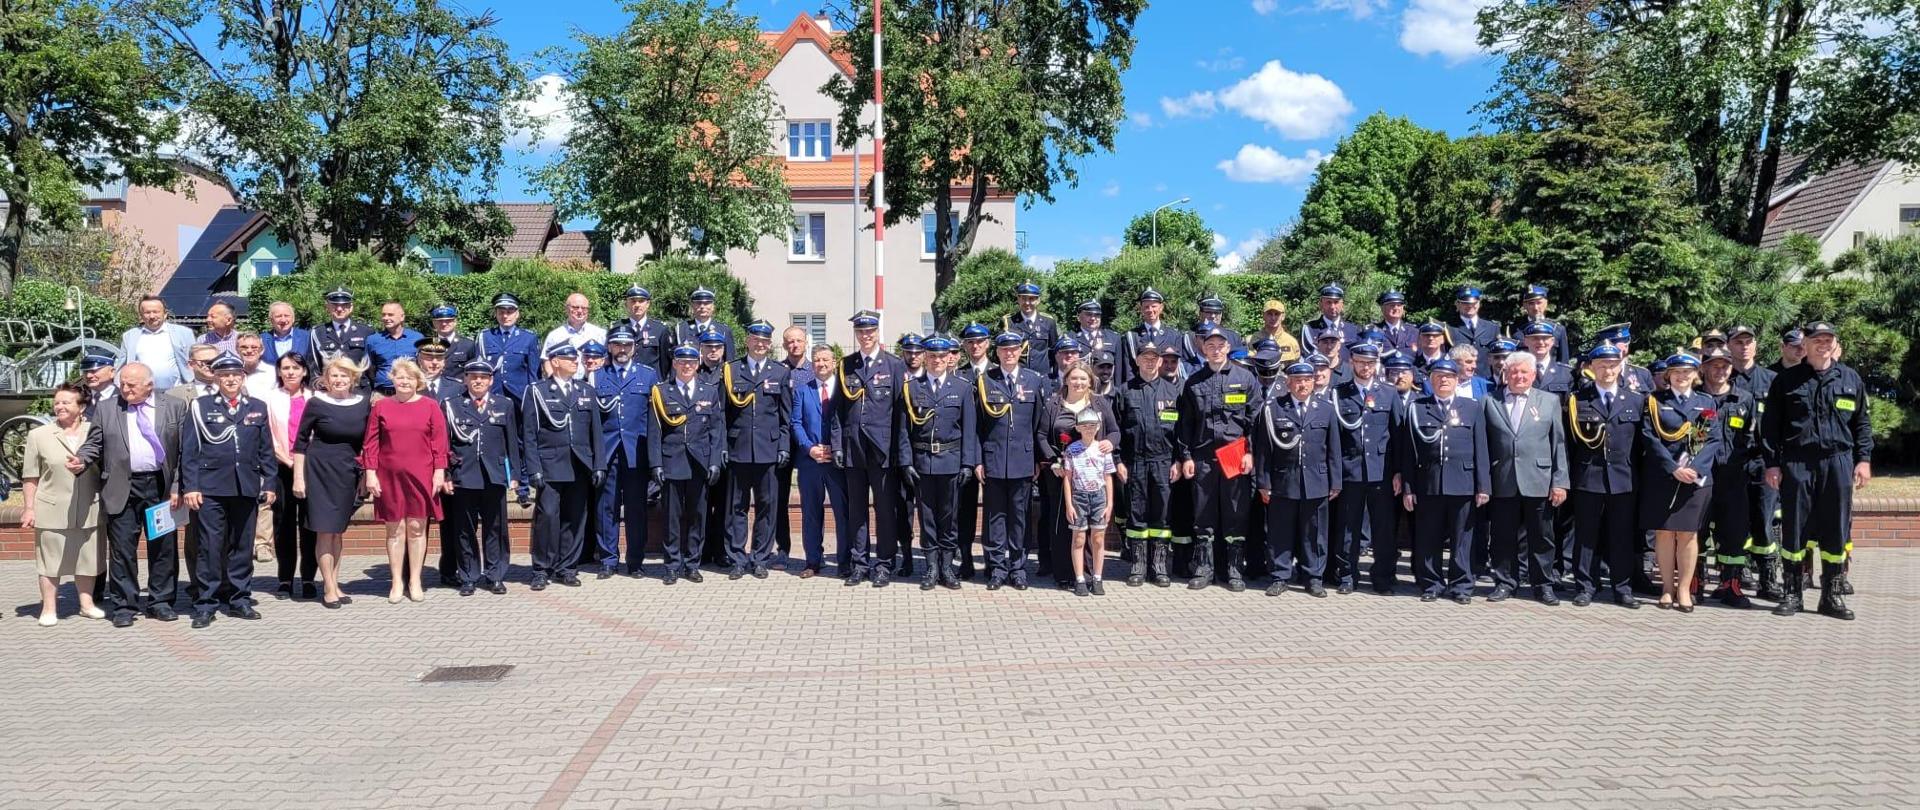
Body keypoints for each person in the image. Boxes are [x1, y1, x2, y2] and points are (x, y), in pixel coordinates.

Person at [1762, 321, 1871, 620]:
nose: (1823, 345)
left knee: (1836, 528)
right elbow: (1770, 427)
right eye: (1816, 340)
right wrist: (1772, 463)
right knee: (1794, 528)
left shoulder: (1849, 378)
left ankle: (1831, 596)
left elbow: (1861, 424)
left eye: (1828, 340)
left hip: (1838, 461)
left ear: (1834, 343)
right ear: (1805, 344)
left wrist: (1864, 460)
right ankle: (1793, 594)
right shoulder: (1787, 381)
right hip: (1798, 463)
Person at [180, 352, 277, 629]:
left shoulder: (256, 406)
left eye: (235, 375)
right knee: (209, 547)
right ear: (216, 378)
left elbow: (265, 450)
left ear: (242, 377)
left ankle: (239, 599)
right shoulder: (200, 406)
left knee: (242, 546)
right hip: (211, 488)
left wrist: (269, 483)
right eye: (224, 375)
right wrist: (191, 486)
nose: (230, 379)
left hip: (245, 486)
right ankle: (205, 603)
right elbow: (189, 450)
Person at [94, 363, 187, 628]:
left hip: (160, 486)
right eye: (122, 384)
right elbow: (95, 444)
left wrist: (177, 485)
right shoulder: (107, 408)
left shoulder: (174, 406)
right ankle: (124, 605)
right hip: (123, 486)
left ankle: (161, 602)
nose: (125, 389)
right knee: (123, 549)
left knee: (163, 547)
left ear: (150, 384)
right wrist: (80, 460)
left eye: (131, 385)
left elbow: (183, 452)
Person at [1395, 358, 1490, 604]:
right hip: (1429, 483)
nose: (1443, 380)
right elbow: (1409, 452)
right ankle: (1431, 583)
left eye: (1448, 376)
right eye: (1438, 376)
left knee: (1463, 538)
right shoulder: (1417, 408)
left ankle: (1462, 586)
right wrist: (1408, 488)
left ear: (1457, 380)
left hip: (1464, 482)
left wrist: (1483, 486)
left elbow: (1482, 448)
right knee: (1428, 537)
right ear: (1430, 380)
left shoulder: (1471, 407)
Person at [829, 310, 911, 587]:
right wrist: (838, 444)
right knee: (857, 511)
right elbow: (837, 411)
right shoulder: (846, 365)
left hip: (883, 450)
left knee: (886, 510)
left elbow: (902, 413)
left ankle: (884, 564)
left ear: (877, 332)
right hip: (854, 449)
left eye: (870, 331)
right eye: (861, 332)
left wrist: (901, 452)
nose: (865, 336)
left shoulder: (894, 365)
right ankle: (859, 563)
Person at [1176, 326, 1261, 591]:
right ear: (1203, 348)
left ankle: (1234, 570)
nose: (1215, 350)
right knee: (1203, 512)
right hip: (1203, 456)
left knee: (1236, 513)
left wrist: (1250, 453)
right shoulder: (1194, 381)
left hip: (1234, 453)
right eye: (1210, 346)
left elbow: (1254, 422)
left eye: (1220, 345)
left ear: (1227, 347)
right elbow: (1185, 425)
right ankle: (1204, 568)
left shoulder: (1245, 378)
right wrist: (1186, 456)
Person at [1640, 353, 1724, 612]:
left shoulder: (1706, 402)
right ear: (1668, 376)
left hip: (1694, 480)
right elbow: (1649, 437)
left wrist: (1694, 469)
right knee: (1664, 534)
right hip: (1664, 477)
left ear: (1695, 375)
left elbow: (1712, 440)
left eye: (1687, 372)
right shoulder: (1655, 401)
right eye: (1676, 372)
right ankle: (1667, 588)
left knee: (1688, 535)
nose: (1682, 376)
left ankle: (1685, 590)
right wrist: (1672, 468)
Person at [359, 358, 447, 603]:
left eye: (409, 377)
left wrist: (440, 471)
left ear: (418, 381)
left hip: (422, 474)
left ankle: (415, 580)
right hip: (389, 475)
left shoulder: (430, 406)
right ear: (393, 379)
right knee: (395, 528)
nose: (404, 381)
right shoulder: (381, 407)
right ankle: (396, 580)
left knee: (417, 528)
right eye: (400, 376)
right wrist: (370, 472)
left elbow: (440, 443)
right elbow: (371, 443)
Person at [1484, 352, 1569, 605]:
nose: (1519, 376)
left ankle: (1543, 585)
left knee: (1542, 537)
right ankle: (1505, 582)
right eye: (1514, 372)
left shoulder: (1549, 401)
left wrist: (1560, 481)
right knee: (1502, 535)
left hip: (1539, 479)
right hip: (1503, 478)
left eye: (1524, 372)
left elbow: (1559, 444)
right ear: (1505, 374)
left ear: (1533, 375)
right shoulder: (1489, 401)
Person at [1566, 344, 1647, 608]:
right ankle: (1585, 587)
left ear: (1620, 366)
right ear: (1591, 368)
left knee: (1621, 535)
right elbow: (1569, 444)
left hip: (1624, 478)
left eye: (1612, 364)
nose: (1608, 370)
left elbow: (1642, 446)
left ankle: (1622, 588)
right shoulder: (1578, 400)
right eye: (1601, 365)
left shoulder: (1636, 400)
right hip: (1588, 476)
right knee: (1586, 535)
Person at [521, 344, 606, 590]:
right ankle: (541, 568)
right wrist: (533, 468)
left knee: (575, 518)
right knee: (548, 517)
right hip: (549, 465)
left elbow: (595, 432)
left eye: (575, 358)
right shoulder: (537, 391)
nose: (574, 362)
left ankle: (567, 567)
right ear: (554, 361)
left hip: (579, 464)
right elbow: (529, 434)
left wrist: (598, 464)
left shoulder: (585, 390)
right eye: (568, 358)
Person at [20, 383, 105, 626]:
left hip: (89, 506)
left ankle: (86, 605)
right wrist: (28, 508)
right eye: (57, 402)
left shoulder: (95, 431)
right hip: (51, 507)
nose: (59, 406)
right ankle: (48, 608)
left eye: (66, 402)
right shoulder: (39, 435)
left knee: (87, 559)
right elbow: (30, 476)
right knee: (50, 561)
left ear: (82, 407)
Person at [1256, 360, 1342, 598]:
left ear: (1314, 382)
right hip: (1283, 480)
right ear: (1288, 383)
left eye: (1307, 380)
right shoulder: (1274, 408)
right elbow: (1264, 449)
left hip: (1316, 481)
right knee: (1280, 532)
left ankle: (1313, 577)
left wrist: (1336, 481)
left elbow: (1334, 448)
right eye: (1297, 380)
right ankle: (1280, 576)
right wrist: (1263, 482)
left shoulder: (1325, 408)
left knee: (1313, 533)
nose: (1302, 385)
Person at [293, 357, 370, 609]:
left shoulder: (362, 404)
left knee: (337, 531)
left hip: (348, 472)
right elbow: (301, 443)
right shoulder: (316, 403)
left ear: (353, 378)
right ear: (326, 379)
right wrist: (298, 478)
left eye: (344, 376)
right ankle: (327, 587)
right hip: (320, 471)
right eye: (334, 376)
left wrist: (365, 475)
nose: (339, 380)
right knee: (325, 531)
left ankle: (336, 582)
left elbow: (367, 444)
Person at [976, 331, 1050, 590]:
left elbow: (1039, 423)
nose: (1009, 353)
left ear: (1021, 351)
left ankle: (1018, 568)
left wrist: (1039, 461)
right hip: (994, 459)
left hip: (1023, 460)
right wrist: (978, 461)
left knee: (1020, 517)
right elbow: (978, 427)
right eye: (1004, 349)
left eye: (1014, 349)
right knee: (995, 517)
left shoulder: (1033, 380)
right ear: (996, 352)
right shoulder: (986, 381)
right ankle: (997, 568)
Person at [902, 335, 977, 589]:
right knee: (927, 517)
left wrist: (968, 464)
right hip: (922, 461)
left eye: (941, 357)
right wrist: (906, 462)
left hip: (951, 461)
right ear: (925, 357)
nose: (937, 361)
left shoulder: (962, 387)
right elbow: (904, 430)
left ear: (949, 359)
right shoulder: (912, 387)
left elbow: (969, 429)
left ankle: (947, 567)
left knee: (950, 517)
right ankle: (931, 567)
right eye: (932, 356)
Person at [721, 321, 793, 579]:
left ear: (769, 344)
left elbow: (786, 416)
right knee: (736, 507)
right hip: (738, 448)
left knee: (767, 506)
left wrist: (784, 446)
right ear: (748, 340)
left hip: (769, 450)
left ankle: (760, 557)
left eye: (765, 341)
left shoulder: (780, 372)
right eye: (756, 339)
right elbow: (722, 414)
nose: (760, 344)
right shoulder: (731, 371)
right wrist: (722, 447)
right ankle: (738, 558)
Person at [443, 360, 519, 595]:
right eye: (473, 376)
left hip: (494, 475)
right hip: (464, 475)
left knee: (495, 528)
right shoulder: (452, 405)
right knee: (464, 529)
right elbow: (445, 444)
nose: (478, 381)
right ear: (465, 379)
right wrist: (446, 474)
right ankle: (468, 575)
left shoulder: (504, 404)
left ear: (491, 380)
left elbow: (512, 443)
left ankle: (495, 575)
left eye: (483, 377)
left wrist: (514, 474)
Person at [1041, 362, 1119, 587]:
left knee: (1091, 529)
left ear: (1090, 381)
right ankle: (1066, 574)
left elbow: (1115, 431)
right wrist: (1053, 461)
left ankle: (1088, 573)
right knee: (1065, 522)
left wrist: (1109, 443)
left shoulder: (1099, 403)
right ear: (1066, 380)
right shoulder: (1054, 404)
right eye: (1074, 378)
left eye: (1083, 379)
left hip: (1093, 476)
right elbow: (1041, 435)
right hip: (1062, 473)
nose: (1078, 383)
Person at [652, 344, 723, 584]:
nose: (686, 366)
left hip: (699, 463)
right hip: (672, 461)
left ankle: (692, 563)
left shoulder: (709, 391)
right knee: (672, 517)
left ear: (697, 364)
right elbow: (654, 432)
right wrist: (656, 464)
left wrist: (714, 462)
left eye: (691, 362)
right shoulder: (661, 392)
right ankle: (672, 565)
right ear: (674, 363)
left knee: (697, 516)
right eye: (682, 361)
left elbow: (716, 430)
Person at [592, 324, 659, 578]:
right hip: (608, 452)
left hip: (636, 452)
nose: (622, 350)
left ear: (634, 348)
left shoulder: (648, 376)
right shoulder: (597, 376)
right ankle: (608, 560)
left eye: (627, 345)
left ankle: (635, 561)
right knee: (606, 508)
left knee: (636, 509)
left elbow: (654, 419)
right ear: (609, 347)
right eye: (617, 345)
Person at [1332, 343, 1396, 595]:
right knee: (1349, 529)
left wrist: (1399, 473)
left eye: (1370, 362)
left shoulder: (1388, 394)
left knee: (1383, 529)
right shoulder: (1339, 394)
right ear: (1351, 363)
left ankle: (1383, 578)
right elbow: (1335, 439)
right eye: (1360, 361)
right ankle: (1348, 576)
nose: (1365, 367)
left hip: (1381, 472)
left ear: (1376, 364)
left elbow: (1397, 436)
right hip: (1351, 471)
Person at [1114, 340, 1179, 587]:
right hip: (1135, 463)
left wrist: (1179, 460)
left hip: (1164, 461)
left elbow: (1181, 431)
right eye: (1145, 357)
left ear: (1161, 361)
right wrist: (1118, 460)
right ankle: (1138, 566)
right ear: (1137, 360)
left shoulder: (1173, 392)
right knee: (1136, 514)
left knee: (1161, 515)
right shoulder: (1124, 391)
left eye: (1154, 357)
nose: (1150, 361)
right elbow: (1116, 430)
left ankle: (1159, 566)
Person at [1725, 325, 1783, 599]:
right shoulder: (1722, 377)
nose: (1744, 347)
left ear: (1756, 346)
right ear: (1730, 347)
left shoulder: (1771, 380)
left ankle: (1768, 579)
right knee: (1734, 522)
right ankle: (1733, 579)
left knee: (1763, 519)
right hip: (1733, 462)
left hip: (1762, 461)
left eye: (1748, 342)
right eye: (1738, 342)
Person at [260, 351, 316, 599]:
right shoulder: (270, 398)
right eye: (285, 368)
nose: (290, 372)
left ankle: (308, 578)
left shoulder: (316, 398)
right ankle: (284, 578)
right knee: (283, 524)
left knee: (309, 524)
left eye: (295, 367)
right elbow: (268, 433)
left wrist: (303, 460)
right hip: (281, 467)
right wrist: (285, 458)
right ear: (279, 371)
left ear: (304, 371)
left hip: (311, 468)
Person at [791, 344, 849, 578]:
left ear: (834, 362)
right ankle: (813, 561)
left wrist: (836, 448)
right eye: (817, 360)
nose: (821, 364)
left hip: (837, 462)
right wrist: (809, 448)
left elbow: (849, 422)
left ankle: (845, 561)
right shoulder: (802, 390)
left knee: (842, 513)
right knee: (811, 513)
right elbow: (796, 423)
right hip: (811, 462)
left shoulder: (844, 390)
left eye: (826, 360)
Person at [119, 295, 196, 390]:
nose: (152, 316)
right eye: (147, 312)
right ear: (141, 315)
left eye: (156, 312)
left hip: (177, 392)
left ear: (165, 314)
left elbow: (195, 361)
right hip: (142, 394)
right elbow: (122, 365)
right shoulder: (130, 336)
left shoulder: (184, 333)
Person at [480, 293, 542, 402]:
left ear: (517, 314)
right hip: (492, 395)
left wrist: (532, 399)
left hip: (519, 397)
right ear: (496, 314)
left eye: (509, 312)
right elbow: (479, 369)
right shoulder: (485, 336)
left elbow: (534, 373)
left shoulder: (529, 338)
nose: (505, 316)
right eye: (501, 312)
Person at [310, 288, 374, 391]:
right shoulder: (318, 333)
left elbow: (372, 368)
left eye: (344, 305)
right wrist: (318, 391)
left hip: (360, 390)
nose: (339, 309)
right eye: (334, 305)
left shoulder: (366, 332)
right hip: (330, 391)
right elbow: (314, 367)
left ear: (351, 307)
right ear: (327, 307)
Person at [612, 285, 674, 377]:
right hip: (623, 381)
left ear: (648, 304)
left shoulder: (660, 329)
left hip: (651, 384)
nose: (637, 305)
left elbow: (666, 363)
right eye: (633, 301)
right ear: (626, 304)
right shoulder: (617, 328)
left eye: (641, 301)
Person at [541, 292, 606, 379]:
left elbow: (606, 360)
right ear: (566, 309)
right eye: (575, 307)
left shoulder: (600, 333)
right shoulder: (555, 335)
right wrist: (555, 383)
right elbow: (547, 360)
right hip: (565, 386)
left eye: (584, 308)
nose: (580, 311)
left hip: (594, 384)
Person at [365, 302, 423, 397]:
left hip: (410, 392)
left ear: (402, 317)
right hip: (382, 394)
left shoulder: (417, 338)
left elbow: (421, 366)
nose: (386, 318)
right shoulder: (373, 340)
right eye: (384, 315)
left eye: (390, 315)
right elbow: (370, 369)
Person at [1509, 284, 1572, 364]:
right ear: (1525, 305)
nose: (1535, 307)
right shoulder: (1515, 330)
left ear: (1546, 304)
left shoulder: (1558, 330)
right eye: (1531, 303)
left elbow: (1563, 362)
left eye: (1539, 303)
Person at [1121, 287, 1172, 384]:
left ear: (1161, 308)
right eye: (1146, 307)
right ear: (1141, 309)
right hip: (1138, 389)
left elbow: (1175, 368)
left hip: (1166, 390)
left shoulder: (1173, 335)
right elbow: (1128, 370)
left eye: (1154, 306)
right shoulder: (1131, 337)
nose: (1150, 310)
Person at [1300, 284, 1361, 352]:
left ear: (1342, 304)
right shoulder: (1310, 329)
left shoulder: (1353, 330)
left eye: (1336, 302)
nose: (1332, 307)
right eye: (1328, 302)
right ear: (1321, 304)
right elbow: (1309, 354)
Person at [1448, 286, 1499, 362]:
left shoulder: (1492, 328)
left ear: (1479, 304)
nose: (1470, 306)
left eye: (1474, 303)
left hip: (1485, 373)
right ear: (1458, 304)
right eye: (1465, 303)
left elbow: (1497, 355)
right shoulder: (1449, 328)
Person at [425, 305, 479, 377]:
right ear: (434, 323)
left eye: (448, 320)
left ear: (455, 321)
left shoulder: (468, 345)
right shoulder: (427, 345)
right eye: (440, 321)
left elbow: (474, 370)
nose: (444, 324)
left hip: (459, 387)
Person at [259, 301, 313, 368]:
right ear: (271, 320)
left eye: (287, 316)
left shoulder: (307, 337)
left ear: (293, 319)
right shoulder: (261, 340)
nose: (283, 320)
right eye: (278, 316)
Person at [1249, 300, 1304, 364]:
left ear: (1283, 316)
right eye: (1269, 314)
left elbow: (1296, 368)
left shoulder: (1291, 342)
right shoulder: (1253, 339)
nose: (1273, 318)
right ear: (1264, 316)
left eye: (1277, 314)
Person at [1372, 290, 1417, 355]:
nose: (1396, 308)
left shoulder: (1414, 332)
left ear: (1402, 308)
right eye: (1392, 305)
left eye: (1399, 305)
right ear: (1382, 308)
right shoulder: (1374, 332)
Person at [236, 333, 277, 398]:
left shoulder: (273, 373)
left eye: (254, 347)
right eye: (244, 347)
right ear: (237, 350)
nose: (249, 351)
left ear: (262, 350)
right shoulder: (232, 372)